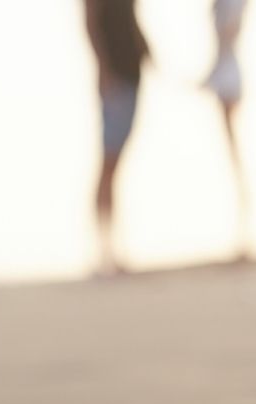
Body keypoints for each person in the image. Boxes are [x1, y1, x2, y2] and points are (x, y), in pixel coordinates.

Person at [84, 0, 150, 276]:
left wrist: (147, 51)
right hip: (116, 79)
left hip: (133, 73)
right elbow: (90, 23)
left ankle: (115, 249)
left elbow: (132, 19)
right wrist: (104, 69)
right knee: (109, 164)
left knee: (116, 164)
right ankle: (104, 251)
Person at [203, 0, 252, 261]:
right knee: (233, 157)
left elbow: (227, 40)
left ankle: (244, 235)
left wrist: (211, 75)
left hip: (228, 77)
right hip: (225, 75)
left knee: (235, 158)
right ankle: (242, 235)